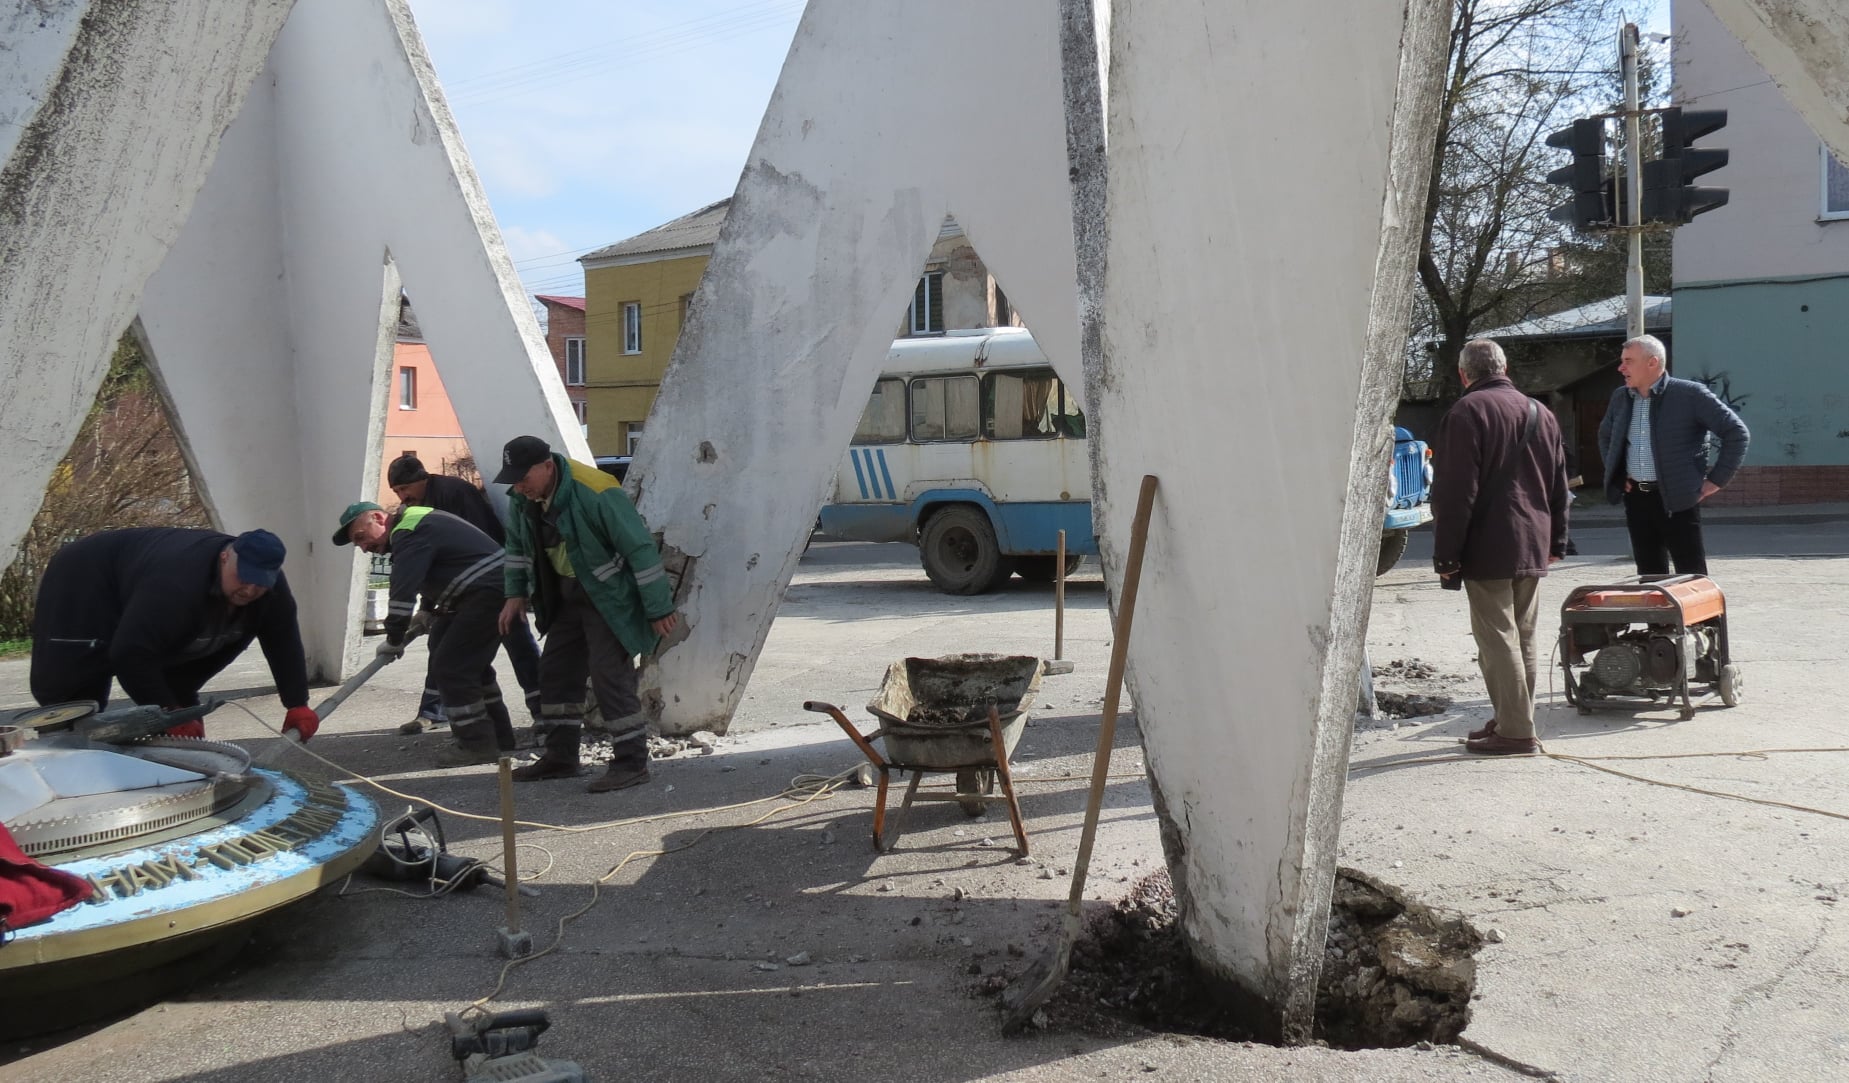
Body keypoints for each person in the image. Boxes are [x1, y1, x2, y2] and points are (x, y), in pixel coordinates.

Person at [494, 435, 678, 791]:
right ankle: (561, 757)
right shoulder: (523, 498)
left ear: (547, 466)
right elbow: (516, 548)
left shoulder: (596, 491)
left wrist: (657, 607)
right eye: (513, 479)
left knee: (609, 674)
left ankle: (631, 762)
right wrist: (514, 594)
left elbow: (640, 550)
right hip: (564, 596)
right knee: (556, 673)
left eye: (523, 478)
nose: (519, 487)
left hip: (608, 598)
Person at [29, 528, 320, 742]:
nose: (249, 590)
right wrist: (166, 712)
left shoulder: (269, 588)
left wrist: (297, 703)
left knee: (178, 693)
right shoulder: (177, 583)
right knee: (74, 696)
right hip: (84, 580)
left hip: (145, 587)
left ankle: (175, 767)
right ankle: (64, 760)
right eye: (243, 578)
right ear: (224, 557)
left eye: (260, 584)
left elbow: (283, 639)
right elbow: (129, 654)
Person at [1431, 340, 1569, 756]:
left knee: (1497, 640)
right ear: (1505, 367)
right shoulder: (1540, 412)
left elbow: (1455, 493)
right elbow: (1559, 483)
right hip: (1533, 540)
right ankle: (1512, 719)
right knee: (1523, 638)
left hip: (1488, 543)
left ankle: (1514, 732)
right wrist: (1557, 540)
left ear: (1463, 374)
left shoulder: (1466, 413)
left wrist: (1446, 555)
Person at [333, 501, 516, 765]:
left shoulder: (408, 532)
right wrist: (428, 609)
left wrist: (394, 639)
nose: (363, 548)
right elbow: (439, 565)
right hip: (487, 589)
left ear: (378, 517)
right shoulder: (414, 524)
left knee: (451, 668)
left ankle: (477, 744)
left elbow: (403, 587)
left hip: (486, 592)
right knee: (464, 661)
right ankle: (498, 736)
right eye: (357, 544)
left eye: (361, 537)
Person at [385, 453, 543, 734]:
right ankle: (433, 711)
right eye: (397, 492)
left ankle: (543, 713)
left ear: (423, 480)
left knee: (518, 646)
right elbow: (434, 564)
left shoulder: (455, 493)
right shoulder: (421, 505)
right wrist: (428, 607)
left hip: (493, 585)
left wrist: (510, 589)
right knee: (443, 646)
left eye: (404, 489)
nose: (402, 497)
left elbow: (477, 542)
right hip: (471, 589)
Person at [1597, 335, 1749, 577]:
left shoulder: (1690, 395)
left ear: (1652, 362)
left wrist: (1716, 481)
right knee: (1648, 576)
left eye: (1628, 361)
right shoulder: (1621, 397)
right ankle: (1656, 617)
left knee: (1691, 578)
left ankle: (1703, 618)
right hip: (1636, 499)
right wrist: (1616, 473)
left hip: (1678, 501)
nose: (1621, 368)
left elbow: (1737, 433)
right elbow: (1606, 437)